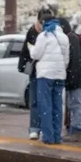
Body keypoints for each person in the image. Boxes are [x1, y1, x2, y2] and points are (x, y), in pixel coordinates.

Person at [30, 14, 69, 145]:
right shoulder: (64, 37)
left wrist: (31, 49)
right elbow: (66, 59)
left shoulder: (44, 36)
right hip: (60, 74)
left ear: (43, 23)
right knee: (57, 105)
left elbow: (36, 54)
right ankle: (57, 136)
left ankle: (48, 136)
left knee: (45, 105)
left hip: (45, 75)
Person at [18, 10, 52, 140]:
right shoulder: (33, 32)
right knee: (35, 101)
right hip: (36, 72)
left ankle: (43, 129)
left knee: (45, 101)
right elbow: (30, 53)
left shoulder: (50, 33)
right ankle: (35, 128)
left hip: (47, 72)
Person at [60, 18, 81, 143]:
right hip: (79, 78)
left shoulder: (71, 39)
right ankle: (75, 130)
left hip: (77, 79)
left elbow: (74, 63)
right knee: (76, 105)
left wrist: (70, 81)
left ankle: (76, 132)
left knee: (77, 105)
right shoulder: (73, 37)